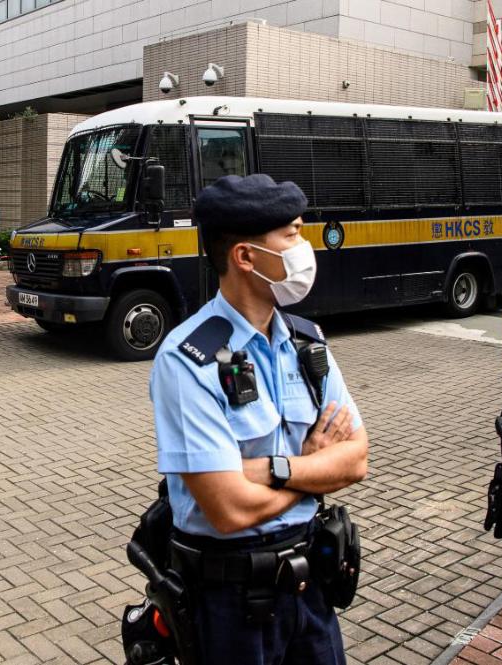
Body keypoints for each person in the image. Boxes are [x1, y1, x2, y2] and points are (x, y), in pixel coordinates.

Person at [148, 174, 369, 664]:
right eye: (292, 235)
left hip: (311, 588)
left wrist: (272, 469)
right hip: (232, 604)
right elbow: (229, 509)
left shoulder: (306, 342)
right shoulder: (188, 360)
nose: (305, 248)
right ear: (246, 257)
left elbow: (356, 459)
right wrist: (311, 472)